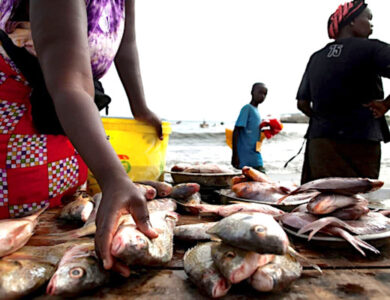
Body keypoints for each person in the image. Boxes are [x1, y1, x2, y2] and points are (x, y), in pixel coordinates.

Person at [0, 0, 162, 277]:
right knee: (20, 251)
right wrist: (114, 179)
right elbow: (70, 81)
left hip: (70, 116)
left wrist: (140, 107)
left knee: (63, 225)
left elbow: (125, 42)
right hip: (16, 122)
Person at [296, 0, 390, 184]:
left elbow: (302, 104)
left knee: (319, 202)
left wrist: (324, 119)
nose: (371, 24)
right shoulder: (373, 49)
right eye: (368, 18)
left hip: (321, 144)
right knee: (356, 204)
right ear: (352, 20)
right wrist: (385, 104)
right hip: (361, 142)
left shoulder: (316, 57)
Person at [232, 82, 267, 173]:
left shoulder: (256, 111)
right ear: (252, 92)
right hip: (245, 157)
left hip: (255, 154)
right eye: (260, 92)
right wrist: (235, 155)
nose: (262, 96)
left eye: (265, 94)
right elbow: (236, 131)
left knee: (256, 184)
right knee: (262, 177)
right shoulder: (247, 108)